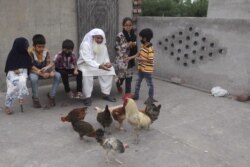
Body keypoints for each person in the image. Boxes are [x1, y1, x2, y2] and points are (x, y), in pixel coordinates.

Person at [77, 28, 116, 106]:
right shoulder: (86, 44)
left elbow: (106, 58)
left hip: (99, 65)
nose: (100, 40)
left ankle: (106, 94)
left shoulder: (103, 46)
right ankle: (87, 97)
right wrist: (99, 66)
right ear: (93, 37)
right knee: (86, 73)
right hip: (85, 65)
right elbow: (87, 60)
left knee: (110, 69)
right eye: (98, 38)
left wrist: (108, 63)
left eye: (101, 38)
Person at [28, 34, 61, 108]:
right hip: (34, 71)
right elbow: (30, 66)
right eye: (39, 47)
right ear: (34, 46)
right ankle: (35, 98)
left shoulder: (46, 51)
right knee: (34, 78)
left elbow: (48, 64)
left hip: (43, 70)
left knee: (57, 75)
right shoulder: (30, 52)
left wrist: (50, 71)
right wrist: (41, 74)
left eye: (43, 46)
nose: (41, 48)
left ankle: (51, 96)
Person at [4, 37, 32, 114]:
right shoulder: (12, 53)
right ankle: (7, 106)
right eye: (24, 45)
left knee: (22, 82)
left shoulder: (26, 54)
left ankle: (20, 97)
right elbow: (8, 65)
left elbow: (29, 64)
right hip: (12, 73)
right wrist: (14, 69)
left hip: (23, 73)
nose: (26, 47)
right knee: (11, 88)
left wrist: (22, 70)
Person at [129, 28, 157, 102]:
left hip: (147, 70)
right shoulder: (143, 45)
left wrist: (141, 59)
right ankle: (136, 95)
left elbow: (150, 60)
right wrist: (130, 57)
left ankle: (150, 98)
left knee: (149, 84)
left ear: (145, 38)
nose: (140, 38)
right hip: (141, 68)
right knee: (138, 82)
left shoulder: (150, 49)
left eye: (141, 37)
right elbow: (139, 53)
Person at [114, 17, 137, 95]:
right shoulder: (120, 35)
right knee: (122, 76)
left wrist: (134, 44)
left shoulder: (133, 35)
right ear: (123, 26)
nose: (128, 27)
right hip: (122, 59)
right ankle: (118, 84)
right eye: (126, 25)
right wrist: (127, 45)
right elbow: (116, 47)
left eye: (130, 25)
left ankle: (128, 93)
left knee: (129, 77)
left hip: (130, 58)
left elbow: (135, 45)